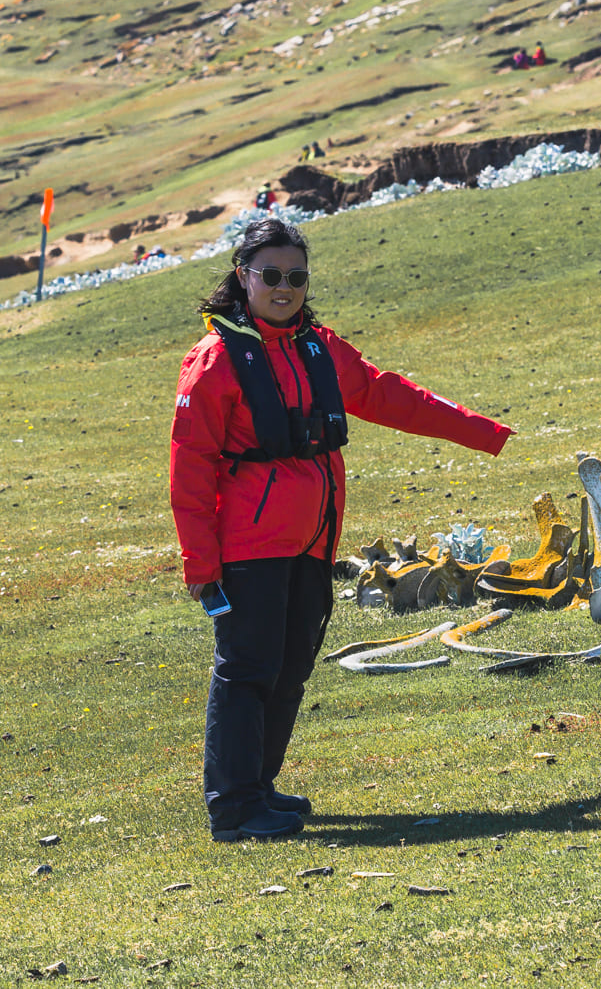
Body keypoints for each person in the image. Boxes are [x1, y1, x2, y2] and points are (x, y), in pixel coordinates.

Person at [169, 217, 512, 841]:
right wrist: (202, 569)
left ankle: (259, 789)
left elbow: (387, 395)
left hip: (311, 539)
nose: (283, 287)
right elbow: (189, 472)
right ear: (243, 277)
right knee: (247, 669)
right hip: (249, 547)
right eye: (270, 275)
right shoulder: (216, 361)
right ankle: (234, 808)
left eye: (295, 276)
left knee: (292, 665)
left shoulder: (317, 346)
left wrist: (479, 431)